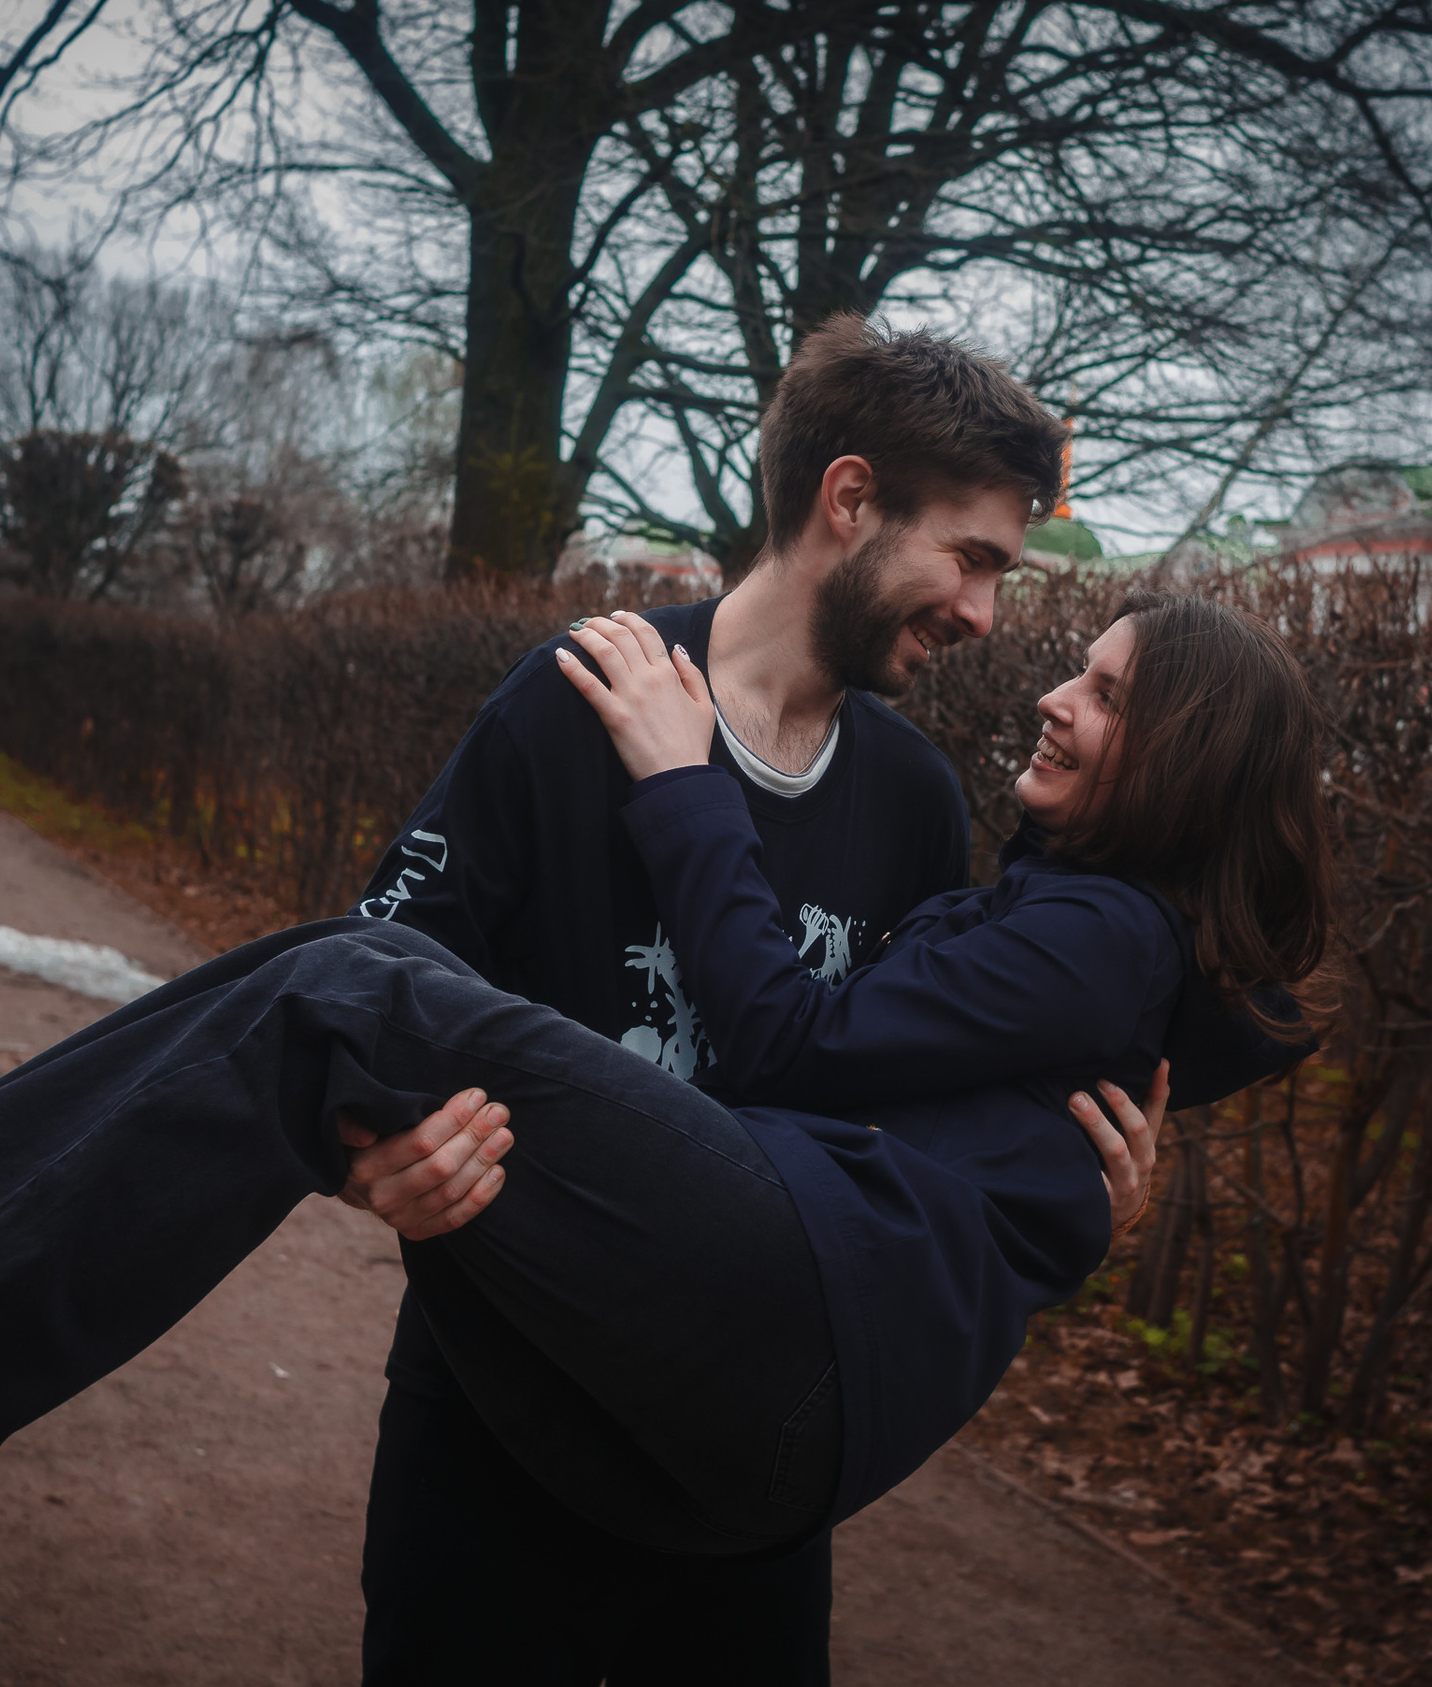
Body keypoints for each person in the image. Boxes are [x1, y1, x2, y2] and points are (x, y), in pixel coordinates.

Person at [0, 590, 1333, 1624]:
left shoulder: (1098, 930)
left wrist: (683, 782)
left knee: (345, 986)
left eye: (1099, 684)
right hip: (792, 1307)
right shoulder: (1095, 938)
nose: (1041, 675)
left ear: (1183, 749)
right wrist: (1079, 1220)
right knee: (328, 973)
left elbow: (788, 1043)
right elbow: (997, 1165)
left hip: (790, 1301)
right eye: (1071, 655)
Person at [344, 315, 1044, 1684]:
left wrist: (1064, 1172)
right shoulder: (576, 699)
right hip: (497, 1417)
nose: (984, 614)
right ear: (850, 500)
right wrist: (381, 1145)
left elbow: (904, 1107)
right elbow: (381, 972)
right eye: (972, 558)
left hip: (754, 1465)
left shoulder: (914, 803)